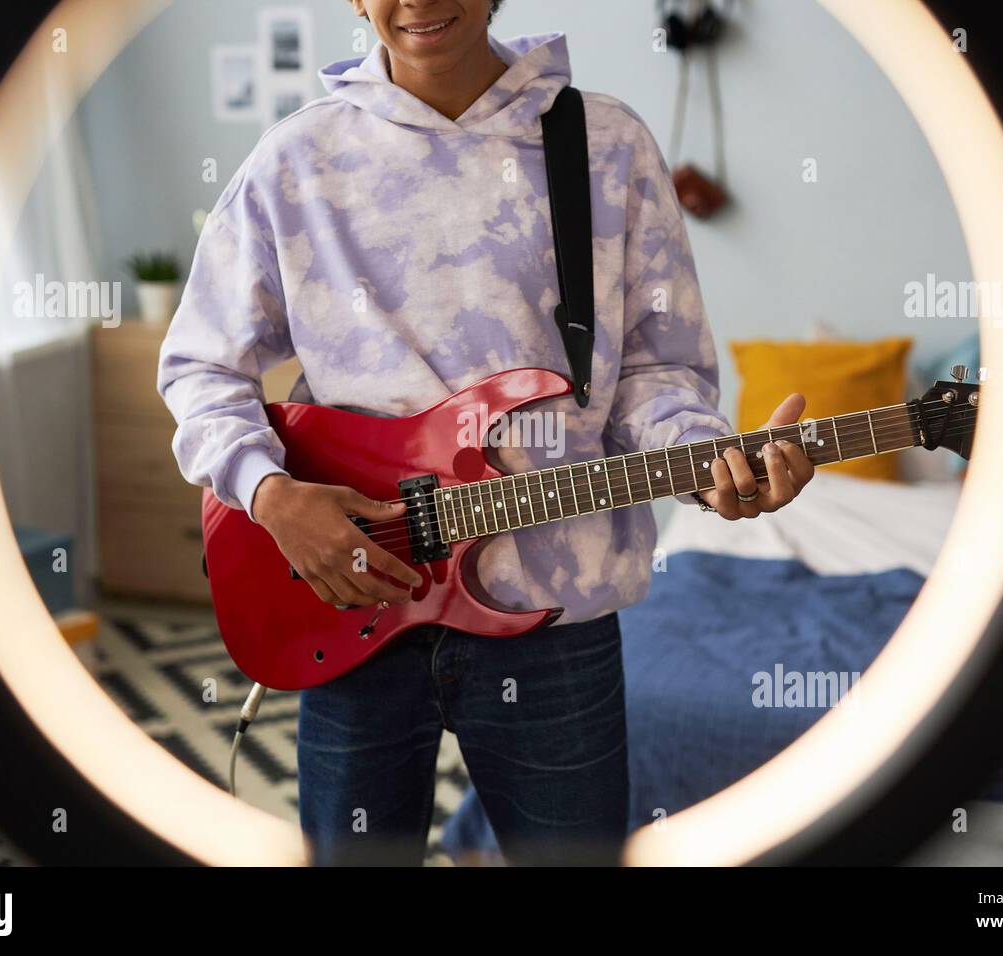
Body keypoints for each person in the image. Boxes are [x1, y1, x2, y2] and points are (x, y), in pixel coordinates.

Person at [157, 0, 813, 866]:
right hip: (356, 600)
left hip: (559, 618)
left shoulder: (605, 144)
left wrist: (707, 465)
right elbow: (201, 368)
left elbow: (657, 374)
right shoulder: (295, 159)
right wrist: (270, 495)